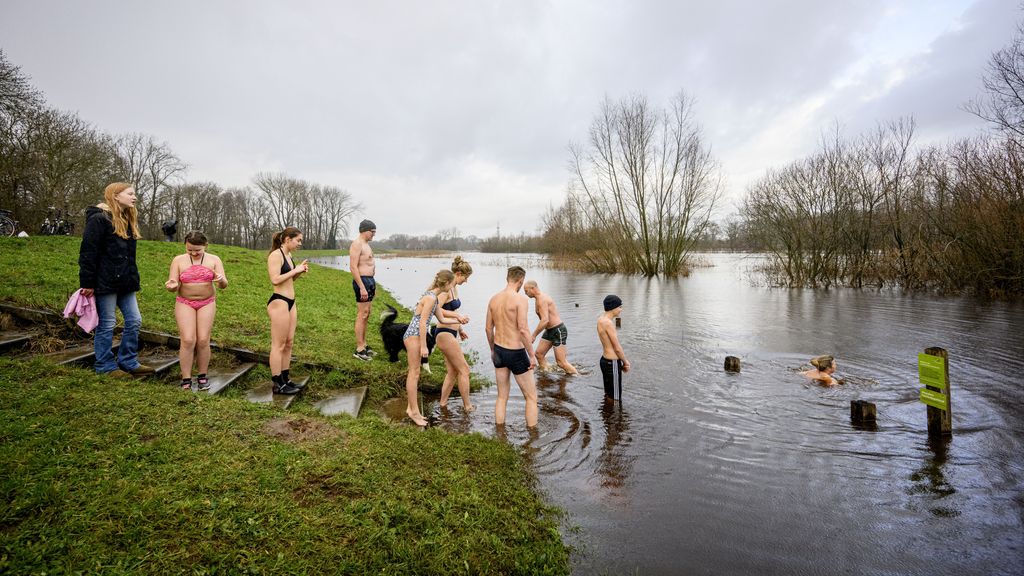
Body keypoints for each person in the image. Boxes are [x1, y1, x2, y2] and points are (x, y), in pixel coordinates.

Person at [77, 182, 153, 378]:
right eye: (130, 194)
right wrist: (87, 282)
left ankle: (128, 361)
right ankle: (105, 366)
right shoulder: (99, 220)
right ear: (116, 196)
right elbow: (88, 252)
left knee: (135, 321)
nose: (134, 197)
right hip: (105, 282)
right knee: (107, 324)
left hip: (126, 282)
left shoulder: (127, 219)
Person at [164, 231, 228, 391]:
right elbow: (174, 284)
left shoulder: (214, 260)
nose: (193, 253)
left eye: (197, 250)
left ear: (205, 246)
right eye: (189, 249)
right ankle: (186, 378)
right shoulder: (178, 260)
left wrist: (221, 281)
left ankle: (202, 376)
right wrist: (172, 286)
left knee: (203, 339)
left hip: (207, 303)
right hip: (185, 303)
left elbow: (224, 285)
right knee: (187, 339)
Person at [403, 269, 461, 426]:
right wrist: (424, 346)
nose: (452, 288)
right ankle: (414, 412)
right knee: (414, 373)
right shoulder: (430, 298)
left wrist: (459, 319)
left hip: (415, 335)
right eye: (451, 284)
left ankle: (411, 408)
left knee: (415, 373)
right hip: (414, 336)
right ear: (447, 283)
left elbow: (441, 318)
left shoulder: (433, 297)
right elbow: (422, 322)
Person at [485, 266, 539, 428]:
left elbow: (488, 328)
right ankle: (532, 438)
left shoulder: (493, 299)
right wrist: (532, 355)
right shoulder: (520, 300)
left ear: (507, 278)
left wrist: (493, 350)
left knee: (502, 396)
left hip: (499, 350)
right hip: (516, 352)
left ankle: (500, 433)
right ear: (521, 281)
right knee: (531, 397)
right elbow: (522, 329)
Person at [267, 227, 309, 395]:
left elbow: (289, 278)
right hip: (279, 302)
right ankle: (277, 383)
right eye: (298, 240)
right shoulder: (275, 255)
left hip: (291, 302)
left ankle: (286, 378)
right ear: (287, 239)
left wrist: (299, 271)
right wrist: (295, 270)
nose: (300, 243)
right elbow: (275, 279)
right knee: (279, 344)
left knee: (289, 342)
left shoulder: (288, 256)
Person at [434, 256, 474, 411]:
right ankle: (468, 407)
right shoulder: (447, 289)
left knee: (452, 372)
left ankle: (443, 404)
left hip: (451, 332)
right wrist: (457, 317)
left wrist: (460, 329)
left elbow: (453, 309)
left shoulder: (454, 288)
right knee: (464, 370)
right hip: (444, 333)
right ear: (458, 273)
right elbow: (436, 308)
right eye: (466, 277)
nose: (466, 280)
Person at [524, 280, 578, 375]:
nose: (525, 293)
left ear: (533, 288)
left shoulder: (542, 299)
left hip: (558, 330)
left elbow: (545, 320)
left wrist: (533, 335)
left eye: (526, 291)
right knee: (539, 354)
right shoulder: (538, 299)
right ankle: (546, 375)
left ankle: (577, 376)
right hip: (549, 330)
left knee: (561, 363)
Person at [349, 219, 377, 361]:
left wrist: (372, 284)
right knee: (362, 314)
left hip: (369, 281)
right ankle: (359, 349)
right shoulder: (357, 244)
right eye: (372, 232)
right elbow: (353, 267)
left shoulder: (366, 245)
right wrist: (362, 287)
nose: (373, 235)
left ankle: (364, 344)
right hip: (362, 281)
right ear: (365, 230)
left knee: (367, 313)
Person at [597, 294, 630, 401]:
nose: (621, 309)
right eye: (620, 307)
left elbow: (616, 329)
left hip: (604, 361)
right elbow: (617, 348)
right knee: (616, 398)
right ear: (613, 307)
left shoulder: (601, 319)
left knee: (608, 393)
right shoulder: (608, 324)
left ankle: (606, 416)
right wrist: (625, 362)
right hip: (613, 363)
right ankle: (615, 417)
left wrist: (617, 320)